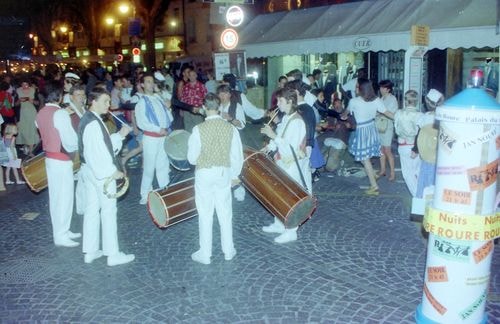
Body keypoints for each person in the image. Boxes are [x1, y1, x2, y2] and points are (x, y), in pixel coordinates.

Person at [78, 87, 135, 266]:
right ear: (93, 102)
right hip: (101, 174)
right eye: (105, 101)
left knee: (92, 210)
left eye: (109, 101)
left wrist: (120, 135)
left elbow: (103, 145)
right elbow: (98, 154)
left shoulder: (88, 119)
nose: (108, 105)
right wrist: (113, 171)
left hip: (89, 172)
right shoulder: (94, 123)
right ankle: (113, 254)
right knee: (109, 212)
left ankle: (91, 250)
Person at [187, 93, 243, 265]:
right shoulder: (230, 128)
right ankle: (228, 250)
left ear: (204, 108)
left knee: (205, 213)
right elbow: (237, 155)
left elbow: (191, 158)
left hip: (204, 173)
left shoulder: (198, 130)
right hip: (223, 173)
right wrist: (235, 175)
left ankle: (205, 253)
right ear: (219, 108)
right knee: (225, 212)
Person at [260, 88, 311, 244]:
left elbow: (291, 148)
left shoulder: (297, 121)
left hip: (292, 165)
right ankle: (279, 223)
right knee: (279, 193)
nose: (277, 104)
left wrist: (273, 135)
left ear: (290, 101)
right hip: (282, 162)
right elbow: (279, 139)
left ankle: (291, 231)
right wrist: (268, 147)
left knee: (290, 196)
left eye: (280, 101)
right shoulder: (286, 118)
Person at [35, 81, 80, 247]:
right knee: (65, 198)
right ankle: (61, 235)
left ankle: (63, 230)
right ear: (60, 96)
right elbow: (69, 140)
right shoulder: (60, 113)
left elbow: (41, 127)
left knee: (56, 197)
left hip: (49, 158)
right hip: (61, 158)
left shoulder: (40, 113)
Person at [345, 78, 393, 195]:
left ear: (361, 89)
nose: (355, 88)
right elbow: (387, 113)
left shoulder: (354, 101)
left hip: (361, 131)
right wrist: (403, 118)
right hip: (371, 129)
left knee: (364, 158)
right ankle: (372, 174)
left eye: (357, 86)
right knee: (364, 158)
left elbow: (345, 114)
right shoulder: (376, 100)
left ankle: (374, 186)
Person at [135, 73, 173, 205]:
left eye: (152, 82)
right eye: (148, 82)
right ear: (142, 85)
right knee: (149, 167)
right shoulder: (141, 102)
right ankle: (145, 193)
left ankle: (164, 189)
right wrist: (158, 129)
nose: (151, 84)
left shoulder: (158, 98)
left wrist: (168, 109)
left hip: (162, 137)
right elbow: (142, 123)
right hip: (151, 138)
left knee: (163, 164)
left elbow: (168, 118)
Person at [394, 90, 423, 197]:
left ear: (405, 101)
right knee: (417, 171)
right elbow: (421, 132)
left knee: (407, 174)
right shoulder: (420, 115)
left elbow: (396, 130)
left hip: (403, 145)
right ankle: (423, 193)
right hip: (416, 146)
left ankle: (417, 196)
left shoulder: (399, 113)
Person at [376, 80, 398, 181]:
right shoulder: (381, 98)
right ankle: (383, 169)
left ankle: (393, 173)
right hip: (380, 126)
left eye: (382, 88)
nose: (380, 89)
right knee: (381, 149)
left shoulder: (392, 99)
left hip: (387, 127)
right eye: (380, 87)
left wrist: (379, 113)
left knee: (388, 150)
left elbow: (390, 113)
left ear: (388, 89)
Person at [16, 78, 39, 157]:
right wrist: (19, 101)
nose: (24, 86)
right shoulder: (18, 91)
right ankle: (26, 147)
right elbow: (15, 104)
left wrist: (30, 100)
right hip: (22, 114)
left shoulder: (33, 90)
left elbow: (38, 102)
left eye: (26, 84)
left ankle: (31, 150)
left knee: (32, 130)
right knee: (23, 130)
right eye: (23, 85)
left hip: (32, 113)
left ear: (29, 84)